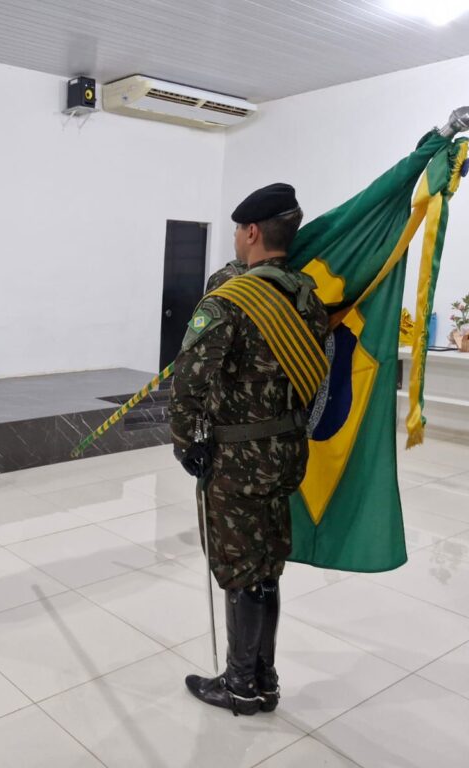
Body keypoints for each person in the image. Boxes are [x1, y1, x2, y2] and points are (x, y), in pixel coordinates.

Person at [169, 183, 330, 715]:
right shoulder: (308, 295)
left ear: (252, 232)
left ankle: (239, 684)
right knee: (267, 566)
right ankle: (265, 678)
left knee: (241, 568)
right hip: (286, 456)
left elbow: (189, 380)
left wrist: (185, 441)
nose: (238, 238)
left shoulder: (232, 299)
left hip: (236, 462)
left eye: (239, 230)